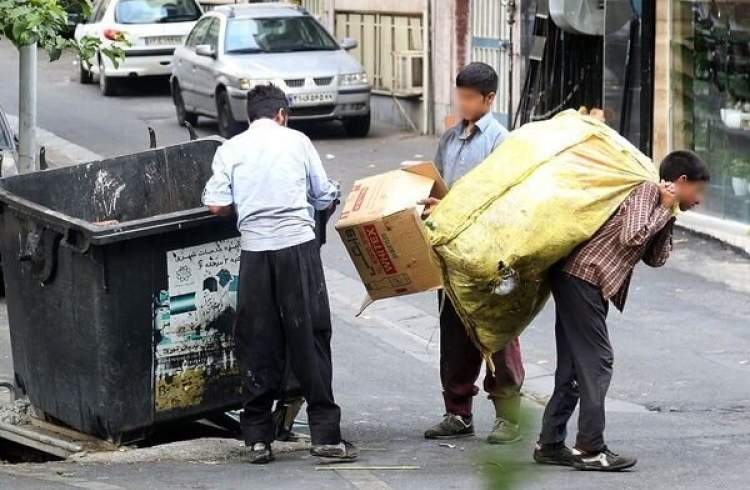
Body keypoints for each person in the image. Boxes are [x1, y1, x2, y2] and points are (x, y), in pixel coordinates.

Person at [202, 84, 357, 465]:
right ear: (282, 114)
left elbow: (217, 204)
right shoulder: (298, 141)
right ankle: (325, 437)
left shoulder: (230, 149)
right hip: (297, 251)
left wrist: (248, 204)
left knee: (258, 341)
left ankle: (256, 438)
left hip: (255, 254)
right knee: (311, 338)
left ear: (250, 116)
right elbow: (323, 196)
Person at [534, 151, 710, 471]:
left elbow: (654, 258)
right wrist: (663, 207)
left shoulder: (661, 204)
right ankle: (590, 448)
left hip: (584, 280)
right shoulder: (645, 190)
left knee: (575, 365)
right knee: (598, 362)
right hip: (583, 276)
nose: (698, 200)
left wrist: (667, 213)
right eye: (697, 191)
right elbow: (632, 236)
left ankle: (550, 443)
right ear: (681, 181)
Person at [421, 62, 526, 445]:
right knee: (454, 334)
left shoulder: (501, 141)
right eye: (459, 96)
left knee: (497, 333)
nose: (462, 103)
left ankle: (509, 416)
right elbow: (444, 188)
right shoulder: (450, 139)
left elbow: (502, 198)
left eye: (469, 98)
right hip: (451, 252)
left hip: (490, 254)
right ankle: (458, 412)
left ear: (490, 98)